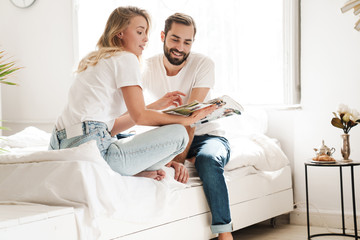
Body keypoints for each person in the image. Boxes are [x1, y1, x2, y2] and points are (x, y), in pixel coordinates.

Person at [48, 6, 216, 181]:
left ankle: (133, 169)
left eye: (146, 33)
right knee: (179, 134)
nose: (145, 39)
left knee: (123, 136)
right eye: (140, 32)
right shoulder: (126, 58)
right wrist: (186, 120)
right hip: (92, 149)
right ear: (120, 32)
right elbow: (139, 117)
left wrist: (154, 106)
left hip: (59, 144)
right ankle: (130, 170)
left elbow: (110, 127)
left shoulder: (96, 58)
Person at [142, 13, 233, 240]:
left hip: (206, 137)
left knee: (208, 161)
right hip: (169, 135)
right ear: (163, 36)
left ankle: (225, 234)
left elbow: (193, 117)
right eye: (174, 39)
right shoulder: (146, 66)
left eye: (187, 42)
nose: (180, 47)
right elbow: (139, 112)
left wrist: (178, 160)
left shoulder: (203, 64)